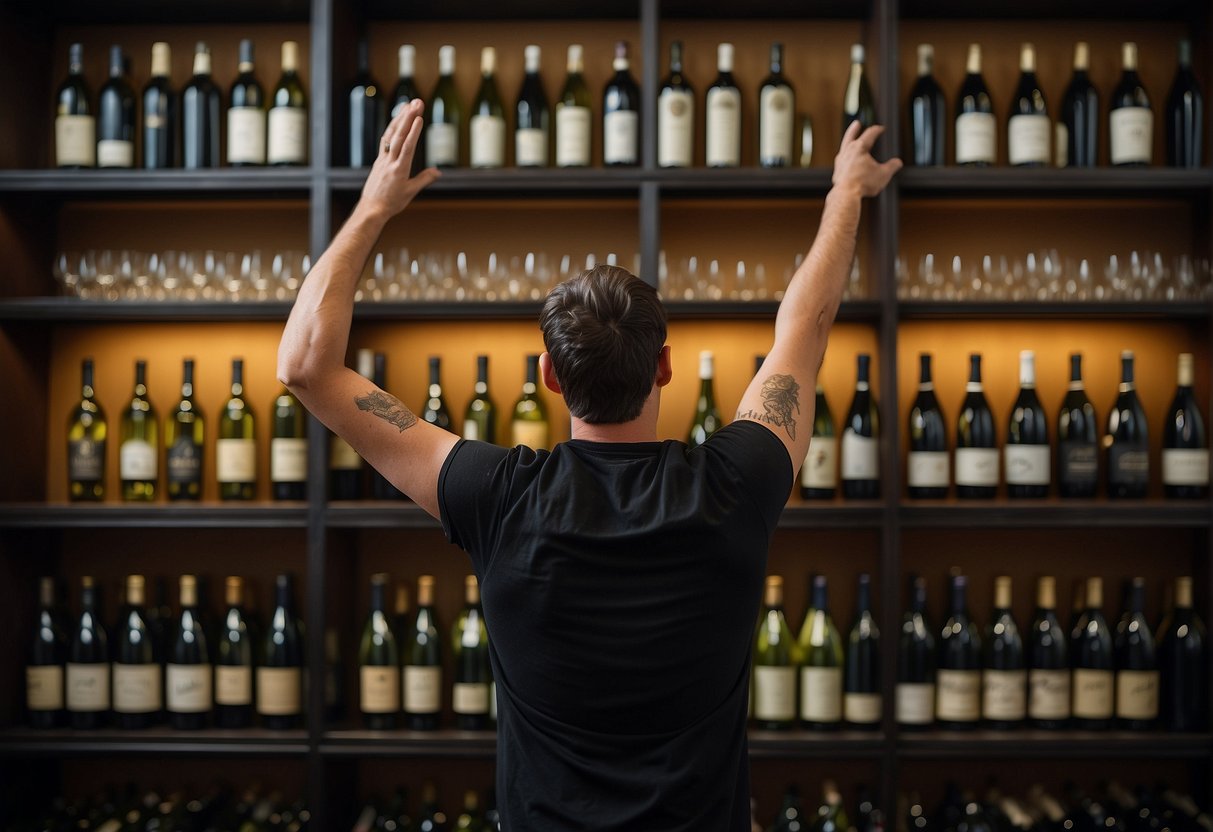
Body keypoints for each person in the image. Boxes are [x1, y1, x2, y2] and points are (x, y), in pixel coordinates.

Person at [278, 99, 900, 831]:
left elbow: (305, 368)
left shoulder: (496, 496)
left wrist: (372, 208)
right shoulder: (738, 481)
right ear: (664, 367)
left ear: (548, 375)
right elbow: (807, 321)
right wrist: (844, 194)